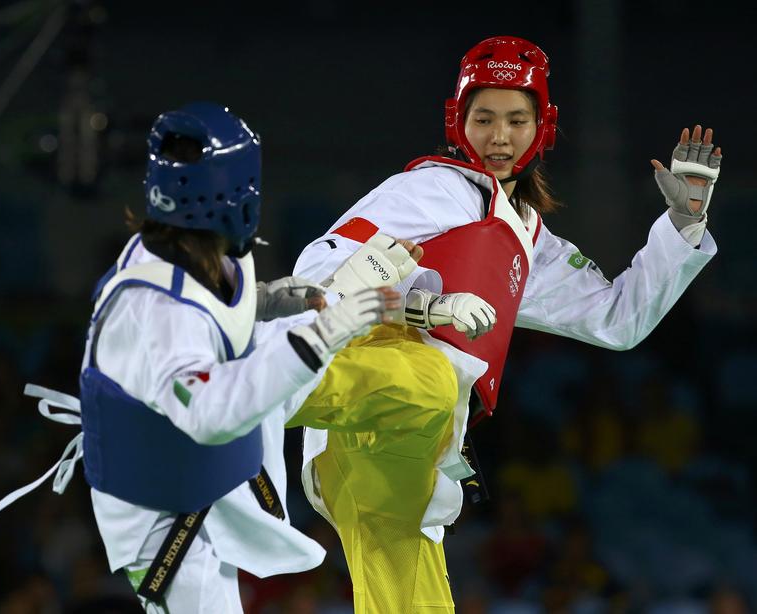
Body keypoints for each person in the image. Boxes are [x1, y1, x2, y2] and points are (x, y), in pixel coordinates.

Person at [288, 35, 721, 613]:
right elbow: (317, 274)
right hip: (376, 403)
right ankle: (240, 390)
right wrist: (418, 307)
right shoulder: (430, 188)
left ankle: (237, 393)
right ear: (456, 120)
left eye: (517, 120)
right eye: (484, 118)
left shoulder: (526, 240)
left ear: (544, 126)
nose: (499, 136)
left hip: (413, 452)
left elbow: (620, 320)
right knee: (429, 381)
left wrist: (683, 223)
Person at [0, 101, 417, 613]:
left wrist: (264, 300)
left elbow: (210, 318)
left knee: (289, 337)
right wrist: (327, 331)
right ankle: (340, 302)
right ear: (239, 191)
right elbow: (210, 413)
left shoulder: (181, 252)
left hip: (196, 469)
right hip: (165, 517)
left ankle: (338, 296)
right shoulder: (155, 309)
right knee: (301, 346)